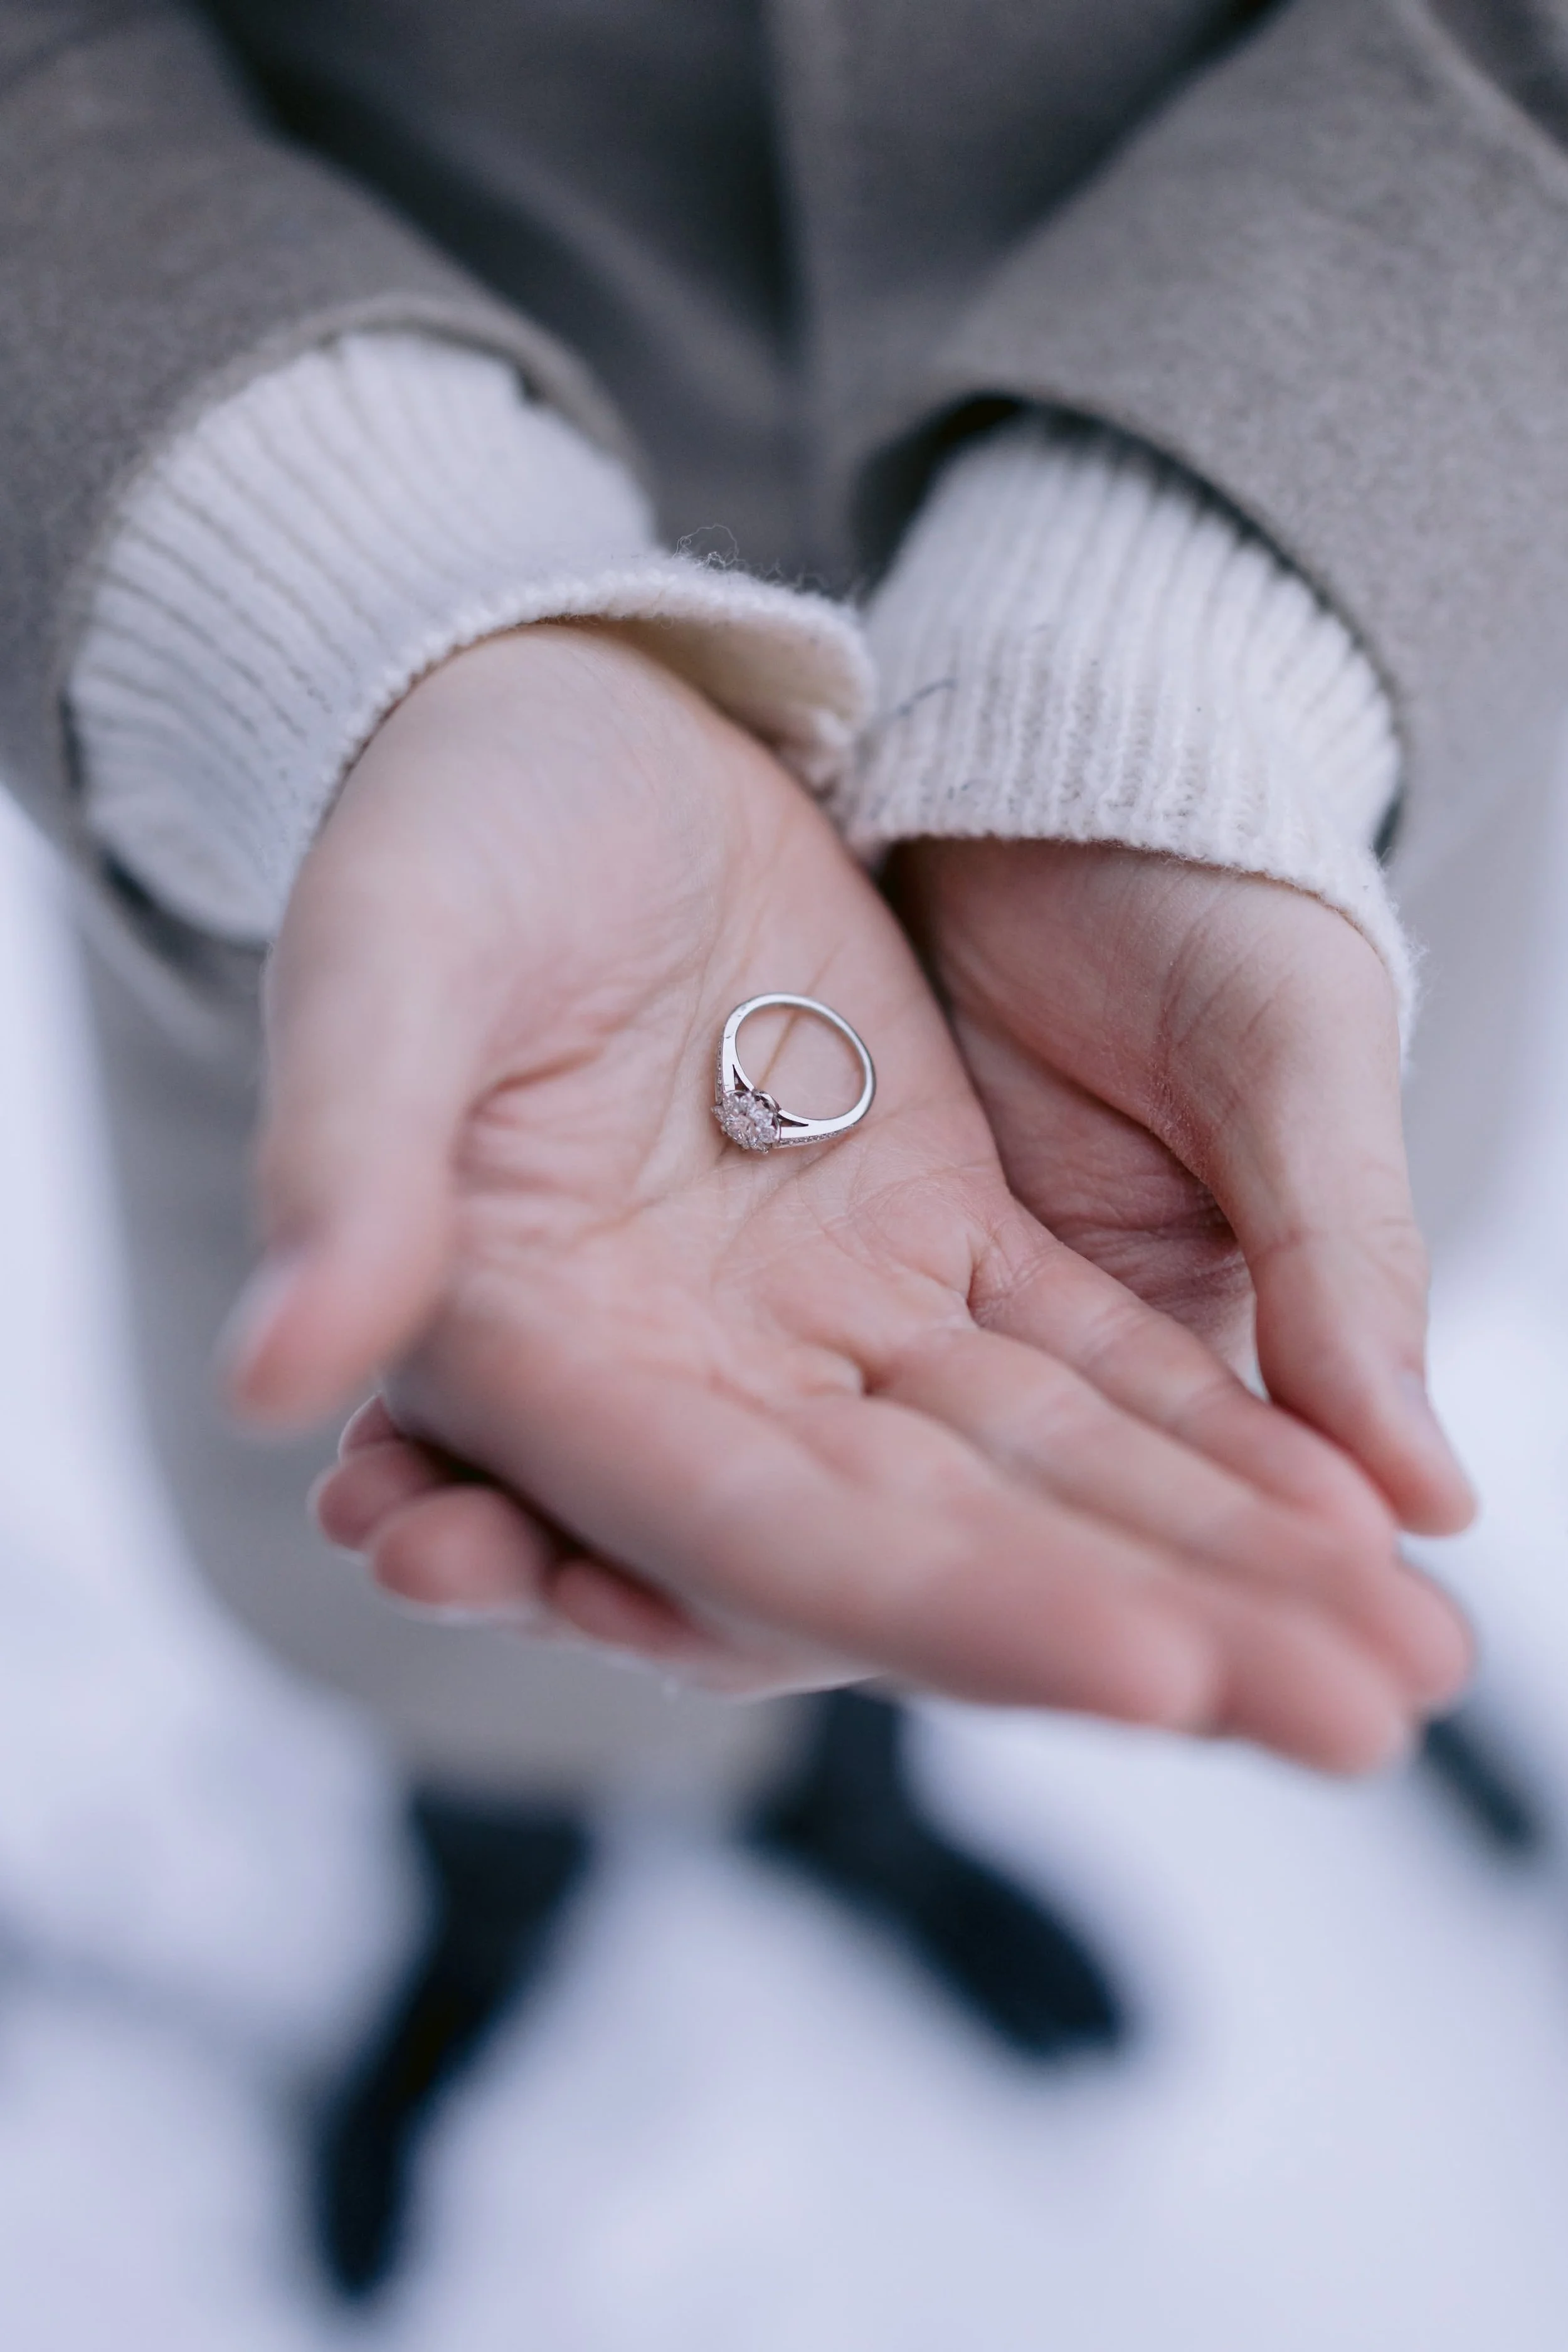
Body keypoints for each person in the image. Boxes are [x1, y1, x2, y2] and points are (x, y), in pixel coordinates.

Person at [5, 0, 1560, 2299]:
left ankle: (869, 1805)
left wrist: (1186, 623)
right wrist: (326, 552)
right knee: (491, 1555)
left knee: (966, 1510)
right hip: (347, 819)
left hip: (1300, 718)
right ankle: (489, 1890)